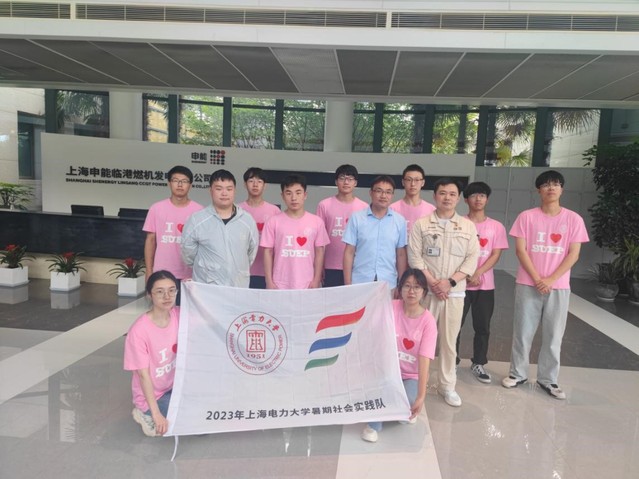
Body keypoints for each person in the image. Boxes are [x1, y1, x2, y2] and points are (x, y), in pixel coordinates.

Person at [502, 170, 589, 400]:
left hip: (558, 287)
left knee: (554, 335)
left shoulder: (573, 219)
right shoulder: (526, 217)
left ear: (562, 189)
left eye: (556, 184)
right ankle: (517, 373)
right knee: (522, 331)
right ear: (538, 190)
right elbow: (521, 250)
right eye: (546, 184)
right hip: (527, 283)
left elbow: (573, 254)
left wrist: (550, 279)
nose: (551, 188)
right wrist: (537, 279)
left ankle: (548, 379)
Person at [408, 178, 479, 407]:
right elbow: (415, 257)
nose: (447, 197)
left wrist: (449, 282)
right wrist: (433, 283)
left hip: (454, 294)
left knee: (449, 342)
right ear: (434, 196)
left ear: (458, 198)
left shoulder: (468, 227)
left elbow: (472, 259)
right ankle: (416, 381)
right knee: (421, 340)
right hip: (426, 293)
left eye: (452, 194)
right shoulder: (421, 224)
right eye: (442, 193)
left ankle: (447, 386)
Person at [361, 269, 437, 443]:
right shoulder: (390, 307)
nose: (411, 291)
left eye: (417, 287)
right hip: (387, 370)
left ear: (424, 292)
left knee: (406, 406)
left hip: (411, 376)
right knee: (384, 392)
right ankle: (374, 425)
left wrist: (421, 396)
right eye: (407, 286)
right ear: (400, 288)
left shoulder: (428, 322)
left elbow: (424, 361)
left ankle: (397, 409)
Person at [455, 182, 509, 384]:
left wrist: (478, 272)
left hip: (485, 286)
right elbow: (454, 252)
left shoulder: (496, 226)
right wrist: (466, 273)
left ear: (487, 199)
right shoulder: (458, 223)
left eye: (482, 195)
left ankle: (479, 362)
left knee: (483, 326)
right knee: (454, 325)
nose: (478, 199)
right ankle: (452, 361)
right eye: (473, 195)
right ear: (466, 199)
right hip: (460, 284)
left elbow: (495, 254)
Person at [123, 270, 180, 437]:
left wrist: (195, 290)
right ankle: (144, 412)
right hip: (154, 396)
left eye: (172, 290)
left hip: (175, 386)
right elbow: (143, 375)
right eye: (160, 292)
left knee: (202, 412)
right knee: (188, 419)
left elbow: (206, 316)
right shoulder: (139, 331)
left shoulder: (178, 315)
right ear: (150, 295)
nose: (167, 296)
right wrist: (156, 414)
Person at [181, 169, 259, 287]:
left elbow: (251, 253)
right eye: (219, 189)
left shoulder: (247, 220)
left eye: (229, 189)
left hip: (238, 287)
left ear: (234, 191)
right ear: (210, 190)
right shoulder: (197, 220)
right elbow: (188, 254)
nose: (224, 193)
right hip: (207, 287)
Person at [261, 174, 330, 289]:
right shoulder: (273, 222)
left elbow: (320, 252)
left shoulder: (317, 222)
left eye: (298, 193)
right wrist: (269, 281)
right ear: (282, 196)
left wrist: (316, 279)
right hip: (279, 283)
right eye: (289, 193)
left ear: (305, 195)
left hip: (307, 283)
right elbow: (267, 252)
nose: (294, 198)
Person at [342, 175, 408, 294]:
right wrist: (348, 284)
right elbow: (349, 252)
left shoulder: (399, 221)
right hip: (360, 282)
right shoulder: (357, 218)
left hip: (388, 283)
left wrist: (401, 284)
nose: (383, 196)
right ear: (371, 193)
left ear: (392, 195)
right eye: (379, 191)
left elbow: (401, 254)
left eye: (388, 192)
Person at [143, 166, 203, 283]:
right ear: (169, 183)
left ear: (190, 185)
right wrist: (149, 270)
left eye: (184, 181)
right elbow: (150, 241)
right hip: (161, 273)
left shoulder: (199, 211)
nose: (180, 185)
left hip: (190, 275)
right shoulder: (156, 208)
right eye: (176, 180)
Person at [316, 164, 367, 287]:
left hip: (356, 266)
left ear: (355, 183)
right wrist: (319, 265)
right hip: (330, 265)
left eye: (350, 179)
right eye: (342, 178)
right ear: (336, 181)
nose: (346, 182)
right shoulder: (324, 205)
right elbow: (319, 240)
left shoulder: (364, 207)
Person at [239, 167, 281, 289]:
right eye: (251, 181)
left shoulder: (274, 211)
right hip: (242, 270)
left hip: (267, 272)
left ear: (265, 185)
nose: (255, 185)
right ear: (245, 184)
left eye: (259, 181)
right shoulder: (237, 210)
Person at [390, 164, 435, 236]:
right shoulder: (392, 209)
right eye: (409, 180)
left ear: (423, 182)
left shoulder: (431, 210)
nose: (413, 184)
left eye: (417, 180)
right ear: (403, 182)